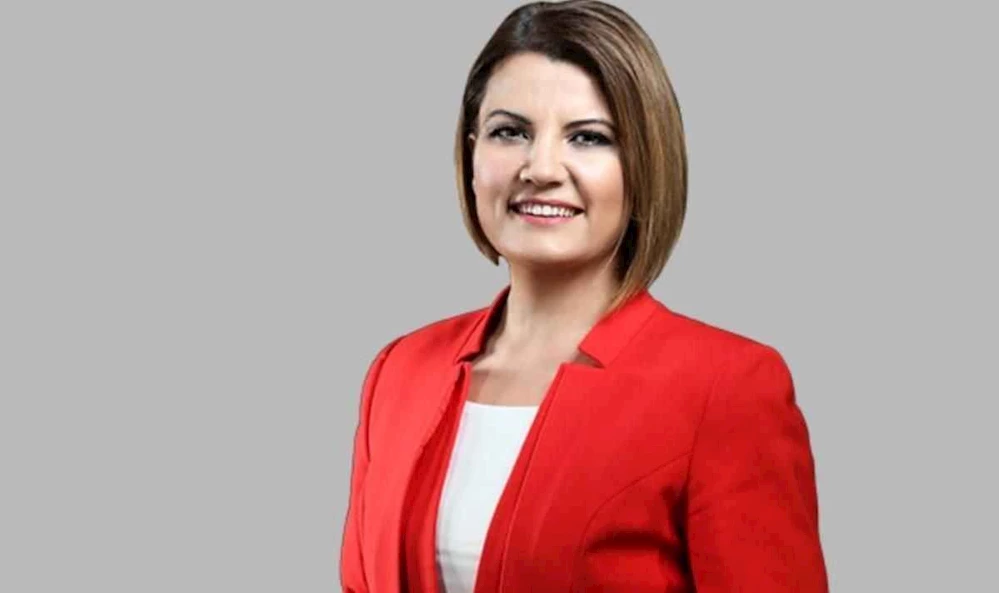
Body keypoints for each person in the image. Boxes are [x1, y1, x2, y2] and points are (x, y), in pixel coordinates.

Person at [339, 1, 828, 591]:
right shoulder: (399, 373)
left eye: (589, 138)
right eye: (510, 132)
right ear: (472, 154)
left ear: (643, 165)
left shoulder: (727, 389)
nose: (541, 168)